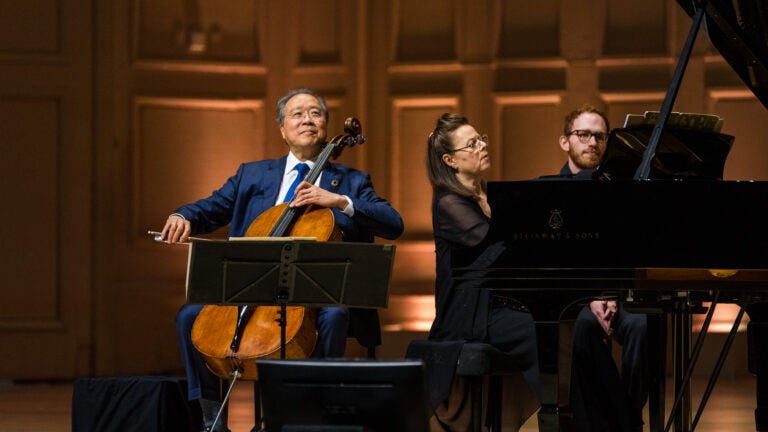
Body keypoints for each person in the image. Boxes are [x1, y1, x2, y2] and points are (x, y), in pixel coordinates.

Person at [160, 88, 404, 432]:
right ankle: (211, 417)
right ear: (282, 129)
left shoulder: (351, 181)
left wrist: (338, 200)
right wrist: (183, 215)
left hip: (316, 300)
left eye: (315, 113)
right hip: (252, 291)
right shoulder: (253, 175)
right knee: (189, 317)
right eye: (297, 114)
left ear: (326, 124)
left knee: (335, 316)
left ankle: (311, 415)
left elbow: (393, 223)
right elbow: (210, 208)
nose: (307, 119)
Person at [420, 113, 540, 431]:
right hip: (468, 313)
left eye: (481, 138)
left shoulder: (491, 197)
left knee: (575, 325)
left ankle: (601, 417)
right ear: (450, 160)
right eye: (472, 144)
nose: (482, 145)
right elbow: (502, 251)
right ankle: (566, 413)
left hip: (499, 305)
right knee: (548, 332)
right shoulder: (448, 202)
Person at [556, 104, 648, 432]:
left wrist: (612, 294)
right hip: (577, 299)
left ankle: (629, 414)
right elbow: (558, 260)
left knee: (642, 325)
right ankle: (617, 421)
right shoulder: (551, 192)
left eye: (599, 136)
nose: (592, 142)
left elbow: (629, 251)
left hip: (620, 295)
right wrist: (591, 297)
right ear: (565, 142)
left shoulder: (622, 190)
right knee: (580, 327)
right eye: (583, 134)